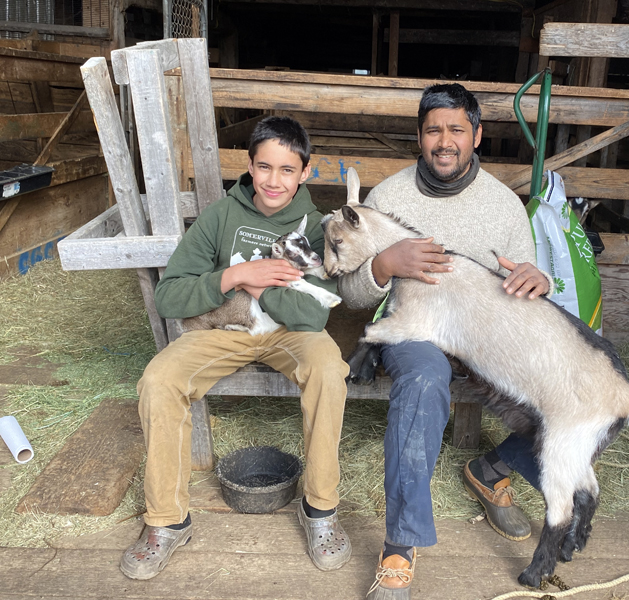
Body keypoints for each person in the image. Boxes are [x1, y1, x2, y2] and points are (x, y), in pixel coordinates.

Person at [338, 83, 553, 600]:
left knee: (566, 383)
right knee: (422, 378)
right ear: (419, 136)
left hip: (485, 334)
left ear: (476, 135)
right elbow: (350, 295)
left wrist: (536, 280)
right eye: (433, 129)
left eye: (456, 129)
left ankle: (491, 468)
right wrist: (384, 266)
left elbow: (529, 278)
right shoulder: (387, 197)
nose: (444, 141)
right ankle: (400, 543)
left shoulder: (504, 206)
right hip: (418, 332)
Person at [120, 116, 351, 580]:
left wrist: (263, 289)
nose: (273, 180)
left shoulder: (314, 225)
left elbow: (314, 315)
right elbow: (169, 297)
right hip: (221, 331)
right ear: (249, 165)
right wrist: (234, 276)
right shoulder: (221, 216)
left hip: (290, 334)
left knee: (328, 369)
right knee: (159, 379)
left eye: (287, 170)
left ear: (305, 172)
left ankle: (320, 510)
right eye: (264, 167)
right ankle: (167, 521)